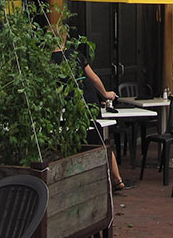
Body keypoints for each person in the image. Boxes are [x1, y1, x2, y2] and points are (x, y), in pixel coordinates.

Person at [51, 28, 133, 192]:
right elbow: (94, 78)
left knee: (72, 140)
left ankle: (82, 179)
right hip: (88, 100)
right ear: (65, 38)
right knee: (98, 139)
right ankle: (117, 179)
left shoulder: (48, 60)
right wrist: (106, 94)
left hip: (67, 104)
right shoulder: (75, 55)